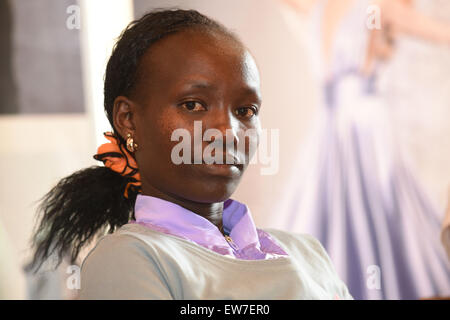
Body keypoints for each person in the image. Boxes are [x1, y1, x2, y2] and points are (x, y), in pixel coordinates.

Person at [27, 9, 353, 300]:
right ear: (128, 120)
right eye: (193, 105)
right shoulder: (131, 259)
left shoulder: (307, 251)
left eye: (245, 110)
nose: (227, 132)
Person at [277, 0, 450, 299]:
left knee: (328, 210)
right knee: (385, 211)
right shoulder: (379, 7)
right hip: (366, 124)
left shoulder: (318, 8)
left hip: (328, 124)